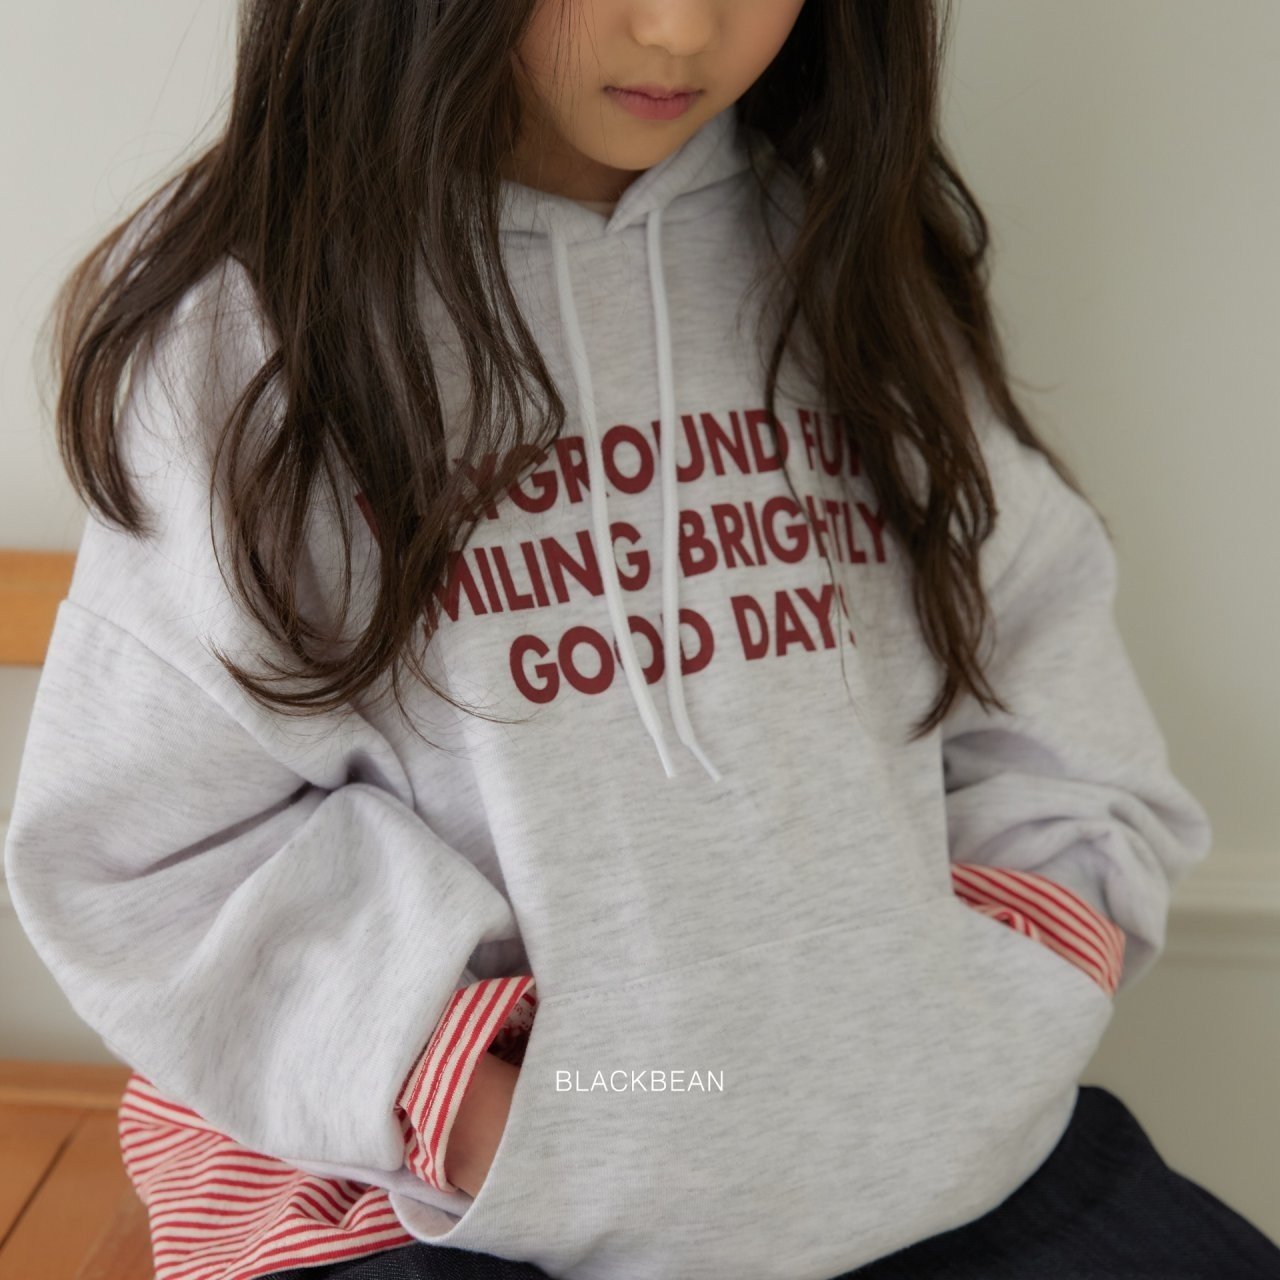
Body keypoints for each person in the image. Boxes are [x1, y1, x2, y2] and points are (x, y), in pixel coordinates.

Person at [6, 1, 1278, 1278]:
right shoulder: (251, 332)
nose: (677, 29)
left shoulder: (844, 256)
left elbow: (1041, 670)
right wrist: (501, 1115)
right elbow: (148, 854)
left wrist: (963, 1032)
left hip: (945, 1167)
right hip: (417, 1202)